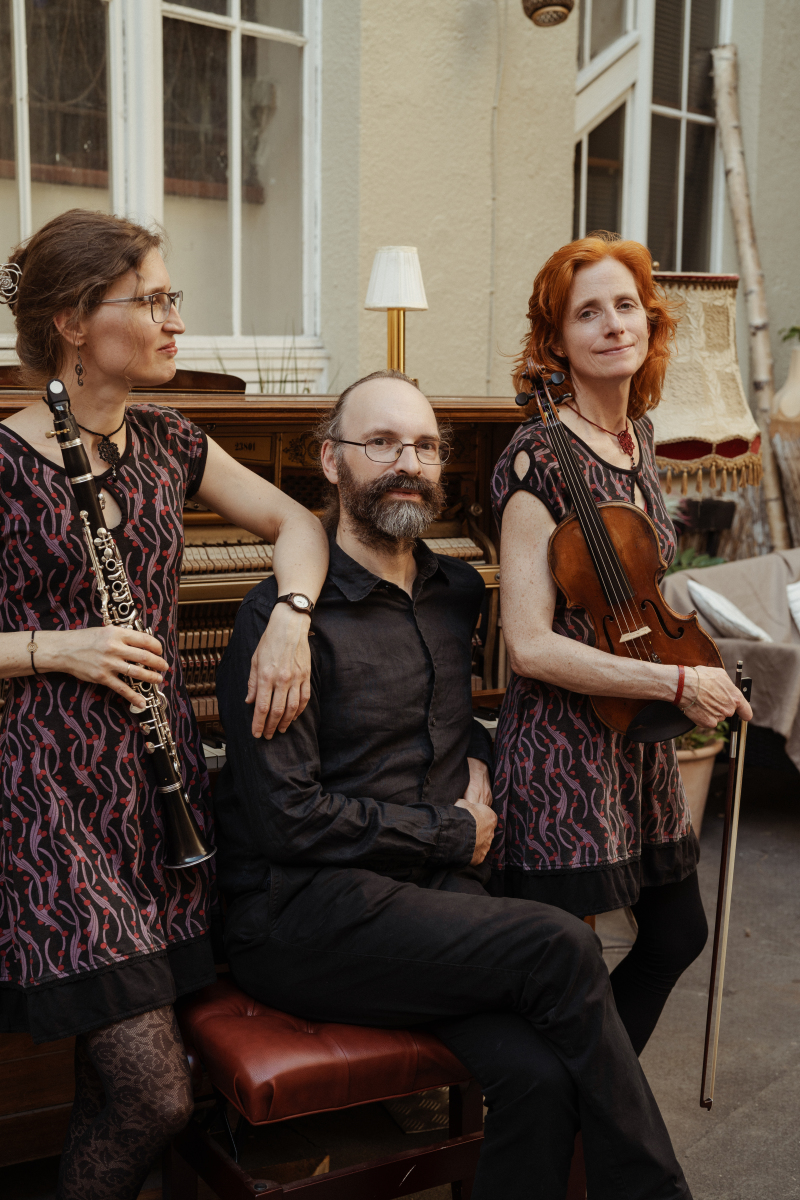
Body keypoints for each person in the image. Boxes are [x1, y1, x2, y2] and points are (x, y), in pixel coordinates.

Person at [215, 367, 694, 1200]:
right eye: (381, 443)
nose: (409, 462)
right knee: (561, 943)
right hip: (304, 913)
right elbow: (287, 818)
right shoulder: (280, 621)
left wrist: (476, 751)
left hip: (427, 903)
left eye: (426, 446)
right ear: (330, 460)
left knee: (539, 1080)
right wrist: (450, 832)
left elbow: (436, 719)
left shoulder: (456, 591)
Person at [0, 209, 328, 1200]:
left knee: (116, 1087)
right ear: (72, 322)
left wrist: (290, 619)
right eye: (151, 300)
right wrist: (55, 646)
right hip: (43, 801)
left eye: (171, 297)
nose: (176, 320)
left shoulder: (172, 440)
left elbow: (298, 523)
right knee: (152, 1093)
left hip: (154, 790)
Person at [490, 233, 753, 1056]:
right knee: (560, 968)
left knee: (676, 934)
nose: (612, 325)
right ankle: (570, 1112)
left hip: (636, 736)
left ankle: (590, 1099)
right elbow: (530, 646)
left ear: (650, 321)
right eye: (588, 313)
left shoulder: (638, 438)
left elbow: (636, 584)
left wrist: (694, 662)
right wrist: (675, 687)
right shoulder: (536, 458)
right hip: (563, 750)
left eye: (626, 306)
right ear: (556, 339)